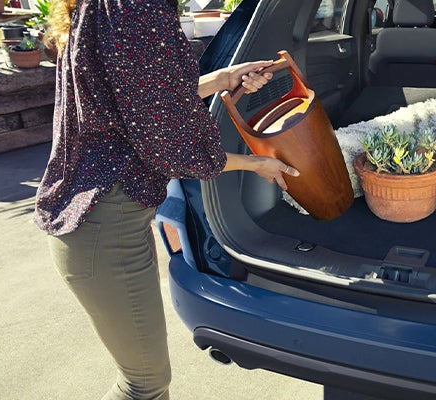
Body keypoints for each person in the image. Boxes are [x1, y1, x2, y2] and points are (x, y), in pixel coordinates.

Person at [34, 0, 298, 398]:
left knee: (142, 382)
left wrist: (224, 78)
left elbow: (145, 100)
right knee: (144, 385)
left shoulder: (110, 7)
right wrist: (254, 163)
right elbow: (169, 141)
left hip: (99, 220)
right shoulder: (137, 8)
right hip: (105, 226)